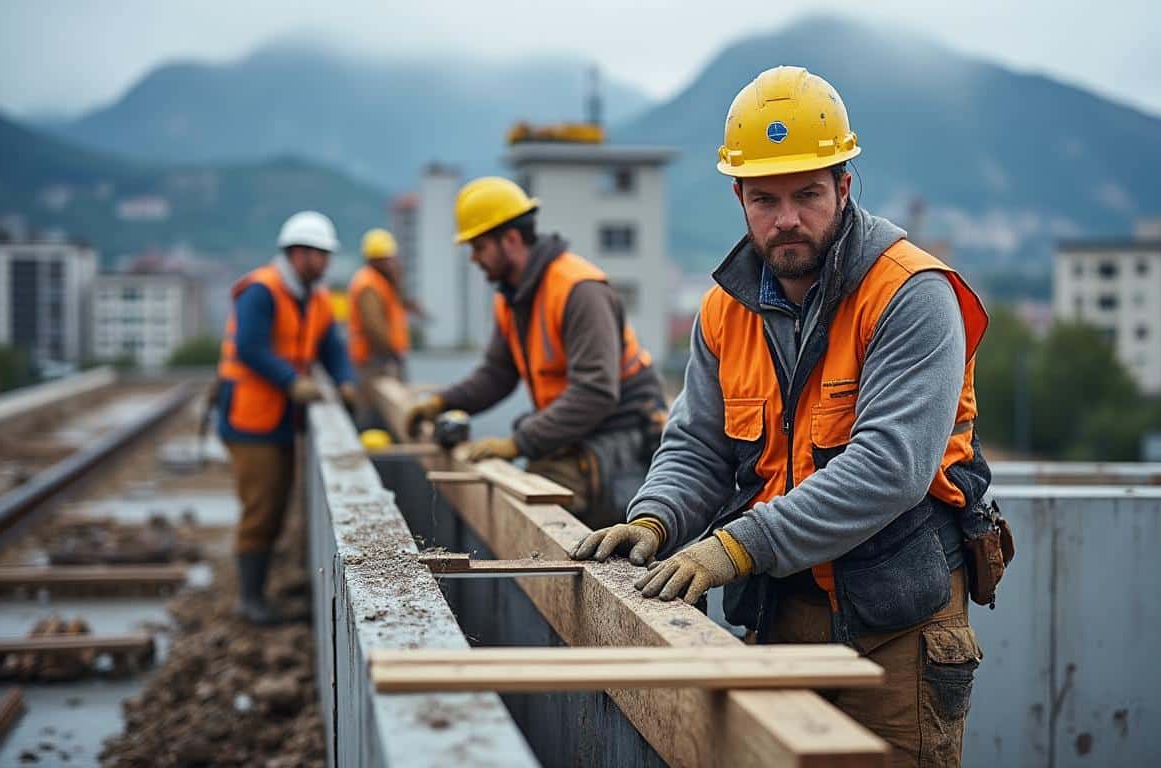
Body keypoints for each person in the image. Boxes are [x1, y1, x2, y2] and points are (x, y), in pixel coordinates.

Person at [571, 66, 999, 767]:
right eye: (765, 199)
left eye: (808, 194)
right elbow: (699, 448)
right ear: (738, 196)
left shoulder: (910, 293)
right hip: (779, 619)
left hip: (896, 630)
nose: (787, 218)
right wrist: (654, 520)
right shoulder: (724, 308)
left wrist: (734, 547)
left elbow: (890, 468)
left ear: (844, 187)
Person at [405, 176, 666, 529]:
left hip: (620, 437)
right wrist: (442, 402)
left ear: (510, 240)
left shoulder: (578, 290)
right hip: (575, 433)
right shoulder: (513, 299)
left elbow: (595, 393)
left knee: (539, 509)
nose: (474, 258)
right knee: (528, 497)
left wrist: (518, 443)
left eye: (479, 246)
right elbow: (497, 374)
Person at [215, 210, 355, 625]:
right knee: (262, 506)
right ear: (297, 254)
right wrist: (291, 382)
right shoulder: (262, 291)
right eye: (320, 255)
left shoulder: (316, 297)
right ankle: (249, 599)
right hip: (251, 418)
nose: (326, 263)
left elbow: (332, 347)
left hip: (278, 418)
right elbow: (250, 348)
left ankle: (259, 590)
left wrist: (345, 381)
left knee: (276, 501)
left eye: (328, 256)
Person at [348, 228, 412, 429]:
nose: (391, 263)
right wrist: (390, 355)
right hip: (374, 362)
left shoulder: (380, 282)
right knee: (375, 414)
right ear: (375, 261)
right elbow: (373, 326)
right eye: (386, 259)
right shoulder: (369, 284)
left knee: (386, 411)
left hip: (379, 359)